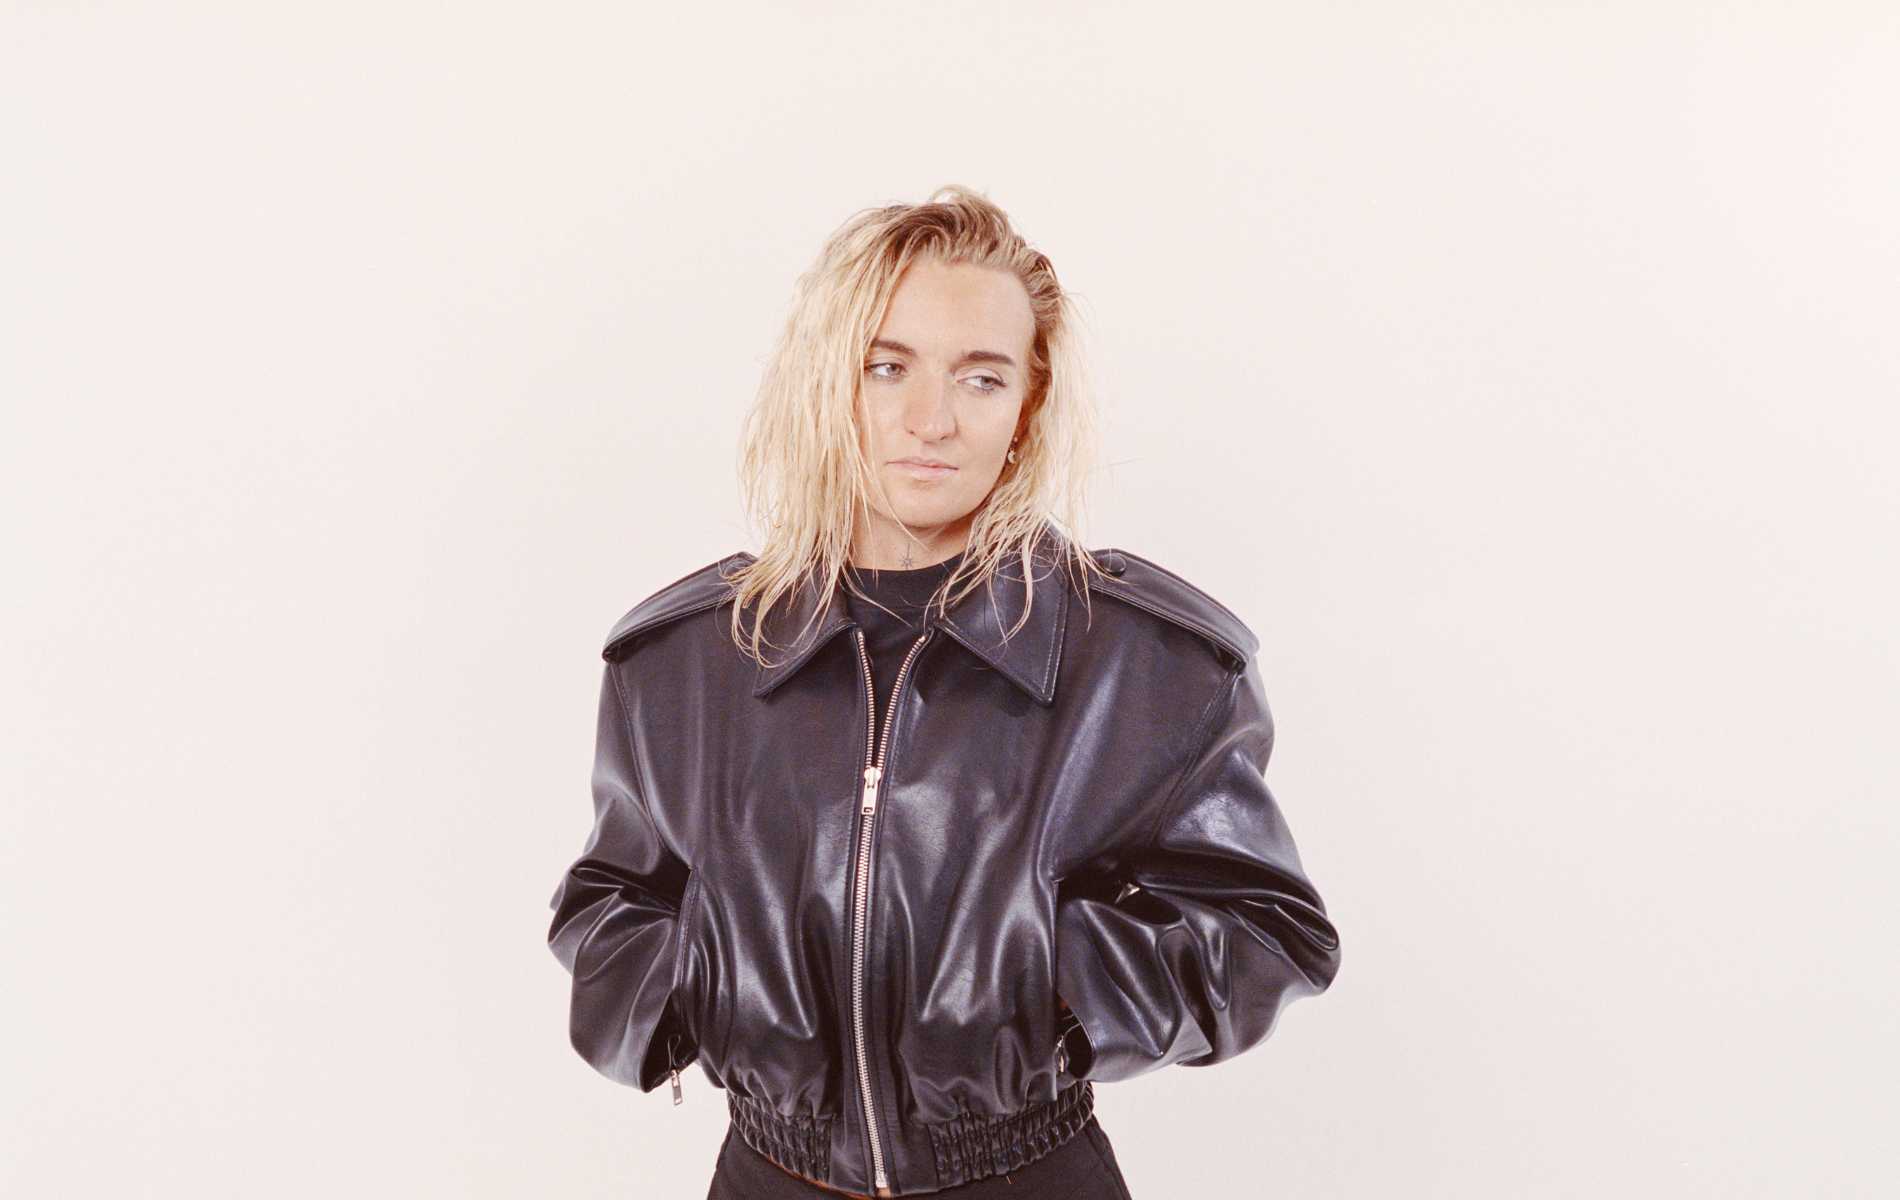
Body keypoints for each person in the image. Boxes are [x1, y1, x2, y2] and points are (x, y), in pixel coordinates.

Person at [546, 186, 1343, 1198]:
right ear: (825, 381)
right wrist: (709, 984)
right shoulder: (684, 661)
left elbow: (1270, 927)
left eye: (980, 377)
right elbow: (609, 905)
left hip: (1029, 1176)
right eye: (887, 367)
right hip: (767, 1175)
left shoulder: (1146, 663)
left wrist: (1049, 985)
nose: (931, 421)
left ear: (1026, 405)